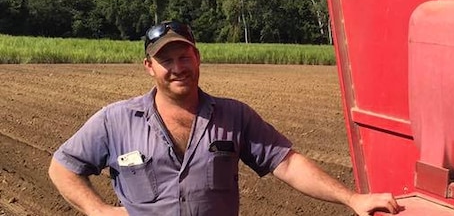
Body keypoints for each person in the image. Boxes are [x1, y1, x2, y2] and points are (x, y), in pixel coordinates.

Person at [48, 20, 401, 216]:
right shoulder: (116, 121)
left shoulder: (233, 116)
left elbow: (287, 163)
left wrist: (353, 199)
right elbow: (62, 167)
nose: (177, 68)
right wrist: (98, 211)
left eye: (184, 57)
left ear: (197, 58)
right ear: (149, 67)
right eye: (166, 60)